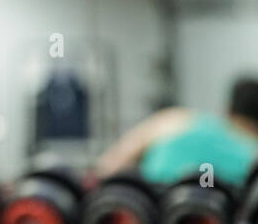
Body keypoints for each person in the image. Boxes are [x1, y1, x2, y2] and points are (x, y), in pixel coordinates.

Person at [96, 77, 258, 187]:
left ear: (228, 109)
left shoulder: (176, 119)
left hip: (153, 215)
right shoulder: (253, 153)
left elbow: (109, 166)